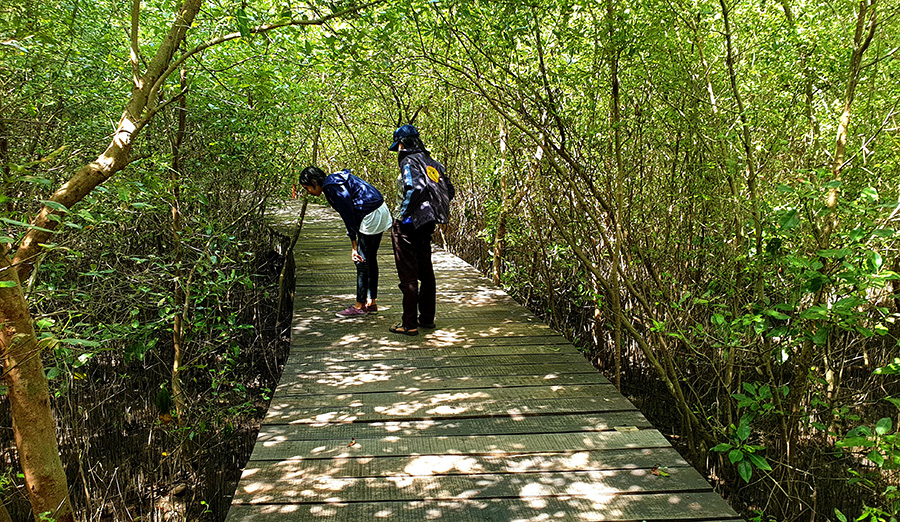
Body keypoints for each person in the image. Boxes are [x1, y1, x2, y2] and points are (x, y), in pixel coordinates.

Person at [298, 166, 392, 317]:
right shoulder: (336, 178)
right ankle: (371, 302)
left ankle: (360, 306)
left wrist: (354, 245)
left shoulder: (331, 187)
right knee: (370, 258)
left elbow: (347, 214)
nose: (308, 191)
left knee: (361, 261)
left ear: (315, 182)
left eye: (307, 187)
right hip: (381, 210)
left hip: (370, 215)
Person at [387, 124, 455, 336]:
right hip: (427, 223)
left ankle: (409, 324)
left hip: (407, 225)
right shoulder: (433, 163)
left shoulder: (408, 161)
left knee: (407, 274)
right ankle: (426, 318)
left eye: (397, 145)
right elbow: (449, 191)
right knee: (425, 271)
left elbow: (414, 188)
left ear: (401, 144)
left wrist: (404, 214)